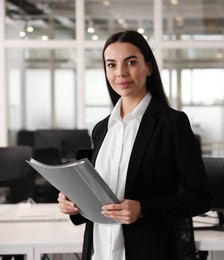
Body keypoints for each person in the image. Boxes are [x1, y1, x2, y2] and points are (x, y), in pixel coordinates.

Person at [58, 30, 212, 260]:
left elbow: (201, 197)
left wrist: (143, 210)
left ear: (148, 67)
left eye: (131, 62)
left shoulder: (172, 123)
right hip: (98, 252)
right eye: (111, 65)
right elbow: (101, 197)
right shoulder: (101, 129)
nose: (120, 73)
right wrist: (75, 202)